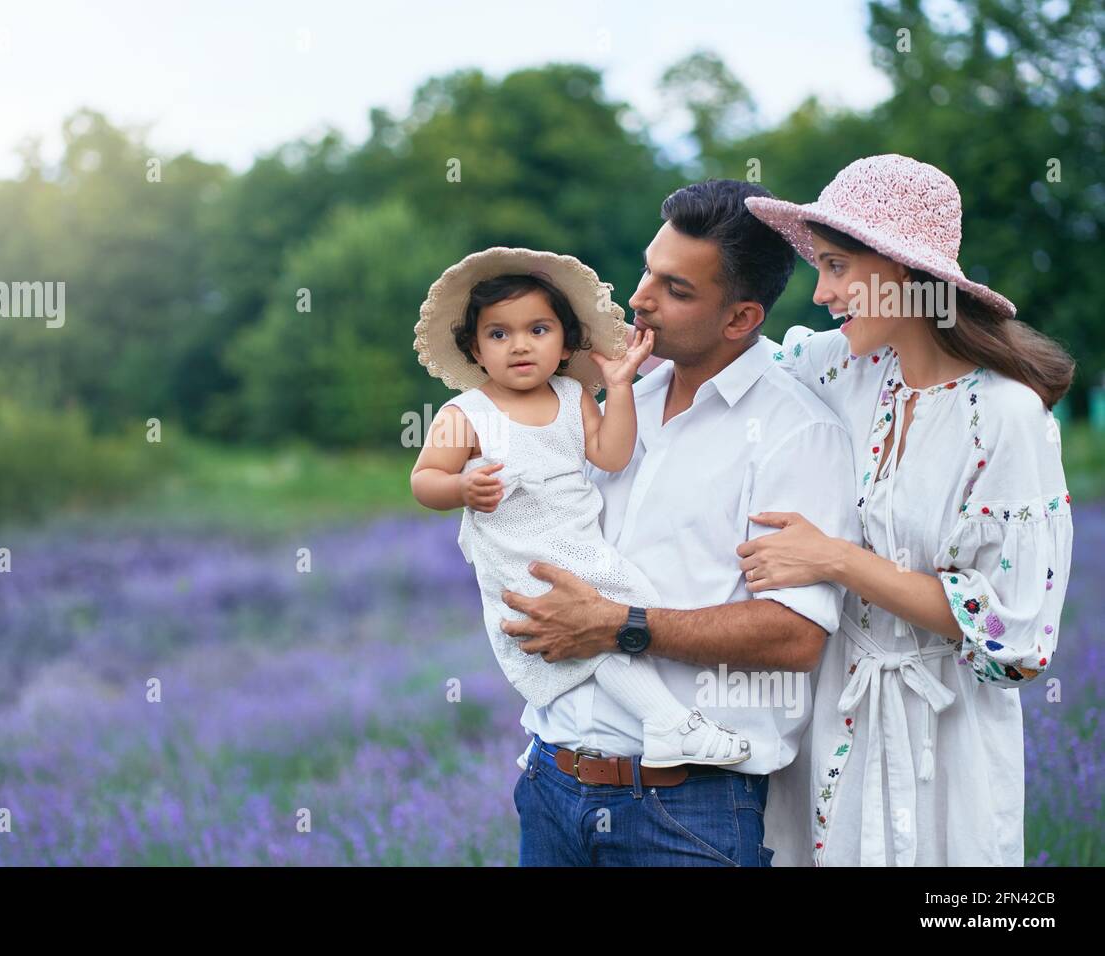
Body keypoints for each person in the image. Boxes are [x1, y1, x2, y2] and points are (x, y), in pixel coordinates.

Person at [493, 181, 862, 866]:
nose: (640, 299)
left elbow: (795, 634)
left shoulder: (794, 433)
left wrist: (618, 624)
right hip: (550, 783)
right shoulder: (617, 399)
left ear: (740, 317)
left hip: (685, 814)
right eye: (647, 270)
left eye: (676, 289)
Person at [738, 153, 1075, 865]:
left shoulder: (1007, 417)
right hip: (832, 720)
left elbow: (1014, 636)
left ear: (902, 272)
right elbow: (730, 356)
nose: (821, 293)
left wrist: (833, 557)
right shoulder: (839, 369)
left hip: (947, 740)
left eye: (837, 267)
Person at [410, 248, 751, 768]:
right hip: (520, 556)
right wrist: (460, 487)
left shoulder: (573, 397)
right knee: (588, 635)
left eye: (538, 330)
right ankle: (669, 724)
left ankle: (573, 733)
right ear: (476, 350)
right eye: (498, 334)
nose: (519, 345)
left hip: (576, 543)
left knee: (615, 618)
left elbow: (611, 455)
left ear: (566, 342)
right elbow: (424, 480)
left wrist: (619, 389)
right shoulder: (467, 413)